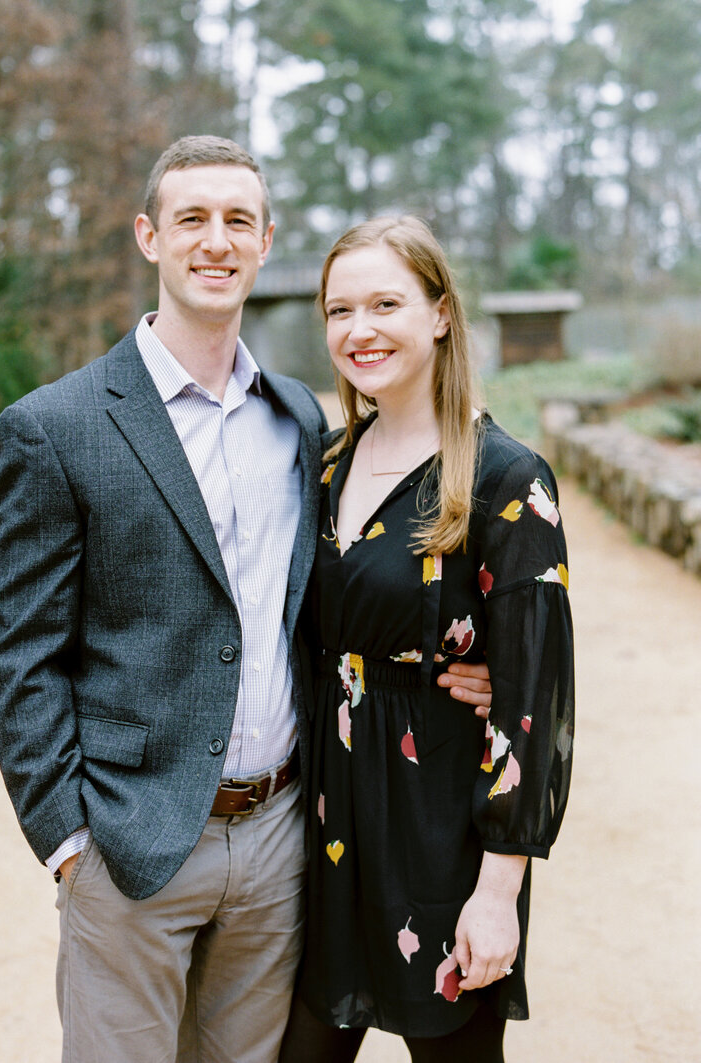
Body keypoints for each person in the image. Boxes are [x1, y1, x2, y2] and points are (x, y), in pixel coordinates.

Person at [0, 139, 493, 1063]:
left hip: (281, 842)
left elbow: (352, 592)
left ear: (263, 242)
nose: (215, 241)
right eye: (191, 218)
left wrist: (467, 664)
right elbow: (19, 652)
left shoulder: (301, 421)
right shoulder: (55, 427)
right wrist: (66, 839)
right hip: (129, 845)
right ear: (148, 236)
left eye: (237, 221)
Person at [279, 216, 574, 1063]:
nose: (358, 330)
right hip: (330, 833)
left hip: (445, 834)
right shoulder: (327, 463)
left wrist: (497, 893)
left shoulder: (505, 481)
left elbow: (533, 706)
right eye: (339, 311)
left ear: (441, 312)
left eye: (384, 304)